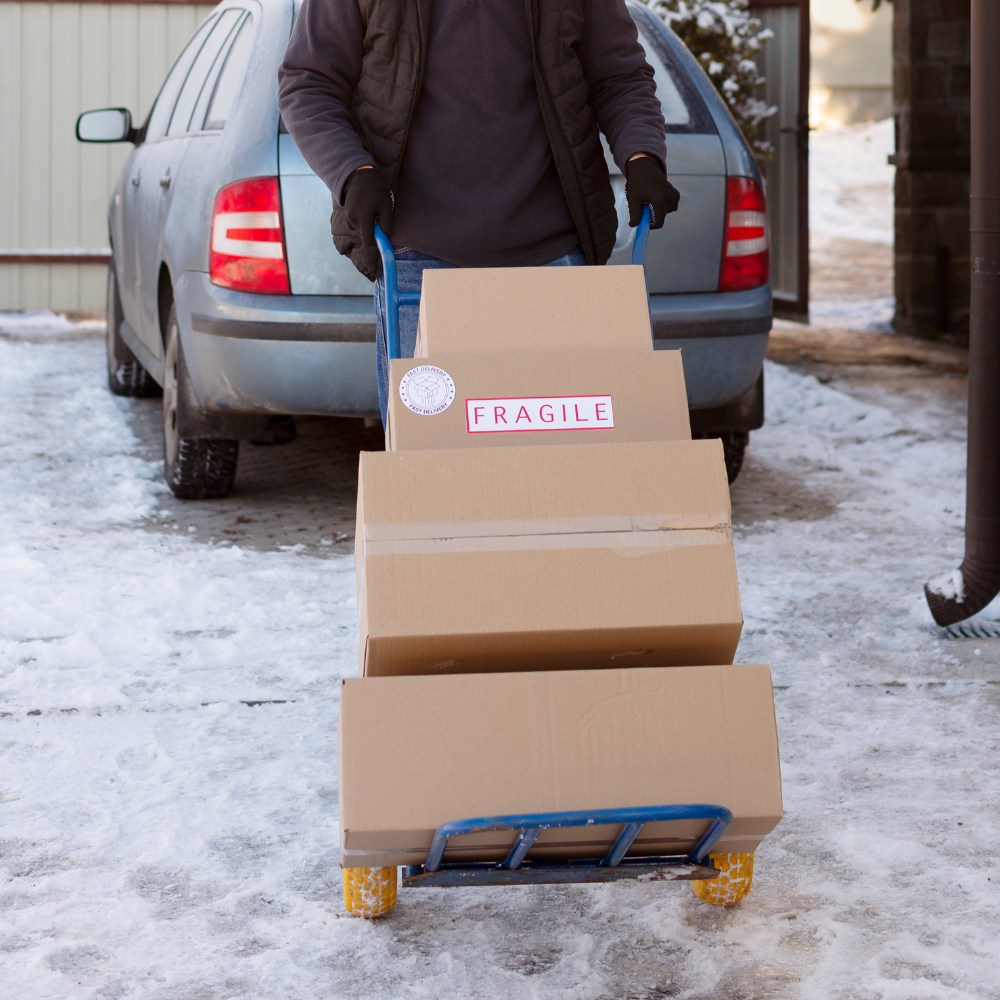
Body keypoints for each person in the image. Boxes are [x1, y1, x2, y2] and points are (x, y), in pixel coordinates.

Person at [278, 0, 680, 425]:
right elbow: (308, 81)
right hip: (417, 260)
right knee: (430, 464)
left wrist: (641, 156)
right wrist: (352, 171)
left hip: (556, 253)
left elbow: (619, 77)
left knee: (562, 461)